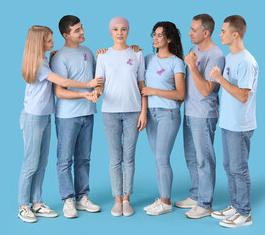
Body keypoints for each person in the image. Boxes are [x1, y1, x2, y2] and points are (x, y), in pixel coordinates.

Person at [18, 25, 103, 223]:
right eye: (49, 40)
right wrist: (87, 87)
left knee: (42, 163)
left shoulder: (45, 60)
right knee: (31, 163)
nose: (53, 42)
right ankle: (23, 206)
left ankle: (37, 202)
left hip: (45, 116)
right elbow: (62, 81)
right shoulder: (38, 64)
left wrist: (54, 54)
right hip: (33, 117)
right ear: (39, 42)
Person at [94, 16, 147, 217]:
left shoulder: (137, 54)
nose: (119, 32)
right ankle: (117, 198)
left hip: (133, 111)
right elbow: (99, 82)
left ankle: (127, 198)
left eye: (123, 29)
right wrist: (97, 92)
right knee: (115, 157)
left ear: (128, 31)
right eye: (115, 29)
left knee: (129, 157)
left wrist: (144, 111)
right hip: (110, 112)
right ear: (110, 32)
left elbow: (142, 85)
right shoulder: (103, 56)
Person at [209, 15, 258, 228]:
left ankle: (245, 213)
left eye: (223, 31)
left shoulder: (247, 61)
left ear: (235, 34)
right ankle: (235, 205)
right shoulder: (230, 57)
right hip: (227, 123)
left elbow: (243, 95)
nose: (220, 34)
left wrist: (220, 79)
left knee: (239, 169)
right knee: (229, 167)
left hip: (240, 125)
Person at [50, 15, 102, 219]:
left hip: (88, 113)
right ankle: (68, 200)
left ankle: (82, 197)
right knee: (65, 160)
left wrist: (97, 91)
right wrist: (85, 92)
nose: (82, 32)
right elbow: (60, 92)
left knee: (84, 158)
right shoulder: (59, 57)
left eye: (82, 28)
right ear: (66, 35)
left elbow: (98, 80)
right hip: (67, 116)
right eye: (77, 30)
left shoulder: (88, 51)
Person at [174, 14, 225, 219]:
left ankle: (205, 204)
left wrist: (193, 66)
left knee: (204, 160)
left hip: (204, 115)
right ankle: (195, 195)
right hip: (188, 111)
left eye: (193, 30)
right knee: (192, 158)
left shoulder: (217, 56)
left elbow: (206, 90)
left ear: (206, 32)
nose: (189, 33)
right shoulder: (194, 50)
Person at [140, 21, 185, 216]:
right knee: (158, 160)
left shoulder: (176, 62)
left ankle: (166, 202)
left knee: (162, 158)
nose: (155, 38)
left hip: (169, 114)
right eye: (154, 34)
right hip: (151, 114)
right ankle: (162, 198)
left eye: (160, 35)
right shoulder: (148, 59)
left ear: (169, 39)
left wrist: (153, 91)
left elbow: (180, 94)